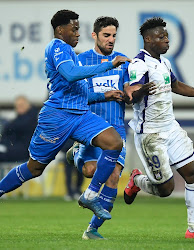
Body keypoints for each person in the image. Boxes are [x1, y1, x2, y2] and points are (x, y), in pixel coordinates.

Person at [0, 9, 131, 228]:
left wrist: (104, 95)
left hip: (81, 115)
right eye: (74, 28)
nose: (78, 33)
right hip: (57, 117)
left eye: (79, 28)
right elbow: (70, 74)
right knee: (35, 168)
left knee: (114, 142)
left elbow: (80, 92)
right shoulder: (56, 47)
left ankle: (89, 195)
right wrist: (109, 64)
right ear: (61, 30)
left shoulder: (70, 52)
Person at [124, 17, 194, 239]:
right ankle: (136, 180)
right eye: (161, 37)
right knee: (166, 189)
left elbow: (175, 86)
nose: (166, 40)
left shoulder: (164, 63)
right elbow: (131, 97)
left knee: (192, 173)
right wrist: (142, 90)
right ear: (147, 39)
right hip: (151, 134)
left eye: (167, 36)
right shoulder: (138, 64)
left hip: (171, 128)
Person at [65, 16, 129, 240]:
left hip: (117, 128)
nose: (111, 40)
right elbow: (79, 97)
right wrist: (105, 95)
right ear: (94, 36)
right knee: (90, 171)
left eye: (113, 36)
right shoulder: (82, 61)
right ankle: (76, 154)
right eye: (106, 35)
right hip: (91, 128)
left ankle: (92, 229)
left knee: (113, 177)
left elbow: (130, 92)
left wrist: (134, 93)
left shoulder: (124, 63)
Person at [0, 96, 38, 188]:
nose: (19, 108)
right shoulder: (19, 119)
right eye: (17, 106)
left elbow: (14, 127)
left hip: (18, 151)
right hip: (9, 149)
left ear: (28, 106)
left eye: (21, 105)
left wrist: (8, 126)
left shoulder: (31, 119)